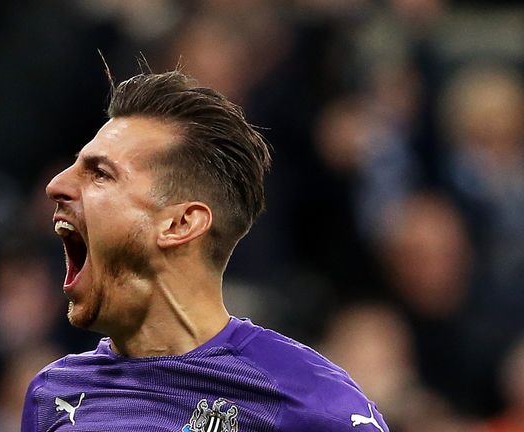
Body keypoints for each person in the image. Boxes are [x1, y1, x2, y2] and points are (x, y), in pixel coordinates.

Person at [22, 68, 389, 431]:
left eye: (101, 174)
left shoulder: (314, 404)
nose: (56, 185)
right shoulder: (54, 395)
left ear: (181, 224)